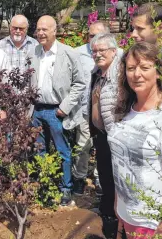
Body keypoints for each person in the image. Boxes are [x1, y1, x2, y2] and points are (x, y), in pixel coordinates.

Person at [29, 15, 85, 206]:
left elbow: (80, 83)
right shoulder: (34, 52)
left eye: (45, 29)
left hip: (57, 111)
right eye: (38, 29)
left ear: (55, 31)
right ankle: (45, 186)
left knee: (63, 151)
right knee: (39, 150)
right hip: (36, 110)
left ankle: (65, 188)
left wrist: (64, 107)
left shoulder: (68, 53)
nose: (41, 33)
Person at [111, 42, 162, 238]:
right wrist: (118, 204)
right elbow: (119, 161)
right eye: (131, 68)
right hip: (127, 212)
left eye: (145, 67)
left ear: (158, 71)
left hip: (152, 220)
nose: (136, 74)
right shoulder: (125, 109)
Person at [88, 33, 123, 238]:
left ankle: (115, 220)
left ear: (113, 51)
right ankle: (107, 211)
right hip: (101, 134)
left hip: (115, 135)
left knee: (116, 178)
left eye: (102, 50)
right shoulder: (98, 72)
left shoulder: (119, 74)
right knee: (105, 175)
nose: (98, 54)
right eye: (95, 50)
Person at [72, 22, 110, 196]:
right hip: (84, 110)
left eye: (98, 35)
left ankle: (100, 179)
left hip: (107, 112)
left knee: (105, 148)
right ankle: (79, 177)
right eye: (90, 35)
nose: (93, 39)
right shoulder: (77, 53)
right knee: (82, 146)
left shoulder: (117, 54)